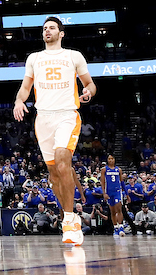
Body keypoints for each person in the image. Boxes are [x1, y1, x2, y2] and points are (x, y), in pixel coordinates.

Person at [13, 17, 96, 246]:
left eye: (51, 28)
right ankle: (71, 215)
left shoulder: (73, 56)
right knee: (53, 174)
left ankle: (68, 220)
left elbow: (90, 83)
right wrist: (19, 102)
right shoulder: (34, 58)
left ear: (61, 33)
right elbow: (25, 88)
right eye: (44, 28)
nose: (46, 31)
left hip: (67, 114)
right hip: (43, 119)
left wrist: (88, 91)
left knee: (62, 160)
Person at [99, 154, 128, 238]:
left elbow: (122, 182)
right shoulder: (104, 170)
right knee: (112, 211)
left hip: (117, 191)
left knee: (119, 208)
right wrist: (104, 193)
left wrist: (126, 193)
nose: (111, 160)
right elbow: (103, 182)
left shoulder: (118, 170)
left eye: (112, 158)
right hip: (109, 192)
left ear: (114, 160)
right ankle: (115, 228)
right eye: (109, 159)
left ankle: (121, 227)